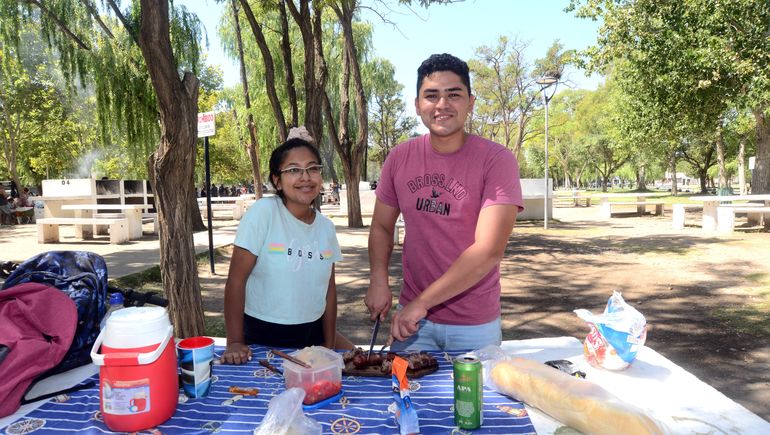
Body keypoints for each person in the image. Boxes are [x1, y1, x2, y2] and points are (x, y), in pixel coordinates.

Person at [365, 53, 524, 352]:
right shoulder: (400, 157)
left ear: (470, 102)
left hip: (473, 325)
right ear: (417, 105)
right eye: (431, 95)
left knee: (474, 400)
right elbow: (382, 227)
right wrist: (378, 280)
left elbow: (488, 250)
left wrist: (421, 304)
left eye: (454, 94)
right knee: (401, 396)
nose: (442, 105)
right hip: (412, 325)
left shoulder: (496, 160)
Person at [221, 136, 354, 365]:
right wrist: (234, 342)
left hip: (312, 337)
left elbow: (328, 289)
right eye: (294, 170)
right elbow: (236, 281)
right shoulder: (263, 213)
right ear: (277, 180)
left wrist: (329, 344)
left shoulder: (326, 228)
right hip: (262, 338)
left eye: (313, 168)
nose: (305, 177)